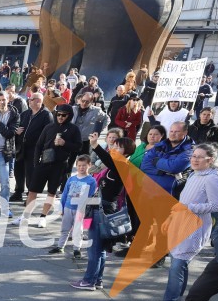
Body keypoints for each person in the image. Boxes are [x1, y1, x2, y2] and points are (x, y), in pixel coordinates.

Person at [149, 143, 218, 301]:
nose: (194, 159)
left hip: (194, 228)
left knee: (177, 265)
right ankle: (175, 299)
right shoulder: (194, 174)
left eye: (199, 157)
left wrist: (189, 208)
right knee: (179, 264)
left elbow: (216, 206)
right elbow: (182, 201)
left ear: (210, 160)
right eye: (193, 156)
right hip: (180, 223)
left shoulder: (211, 178)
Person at [70, 134, 135, 290]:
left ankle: (89, 281)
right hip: (101, 206)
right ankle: (97, 279)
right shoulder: (118, 164)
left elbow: (107, 160)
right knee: (101, 248)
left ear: (126, 152)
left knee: (94, 248)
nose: (114, 148)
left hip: (103, 209)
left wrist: (95, 145)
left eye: (118, 147)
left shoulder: (121, 165)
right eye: (113, 145)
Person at [12, 104, 82, 228]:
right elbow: (39, 145)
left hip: (60, 165)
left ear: (69, 116)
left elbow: (78, 147)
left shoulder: (73, 129)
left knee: (51, 192)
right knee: (32, 191)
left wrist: (64, 143)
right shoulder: (49, 127)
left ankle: (43, 217)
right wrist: (36, 163)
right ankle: (25, 216)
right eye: (58, 114)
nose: (60, 117)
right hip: (43, 163)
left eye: (63, 115)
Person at [48, 155, 97, 258]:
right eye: (79, 165)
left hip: (80, 209)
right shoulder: (71, 179)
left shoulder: (91, 181)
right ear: (76, 166)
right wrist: (61, 206)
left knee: (78, 230)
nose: (81, 168)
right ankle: (60, 246)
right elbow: (65, 193)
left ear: (89, 165)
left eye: (84, 165)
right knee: (65, 228)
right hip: (68, 207)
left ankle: (76, 249)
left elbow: (91, 196)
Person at [11, 92, 53, 202]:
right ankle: (18, 191)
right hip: (22, 147)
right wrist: (16, 131)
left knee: (31, 173)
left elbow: (49, 135)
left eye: (31, 99)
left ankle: (30, 195)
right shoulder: (26, 113)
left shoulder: (46, 115)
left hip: (34, 149)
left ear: (39, 101)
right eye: (29, 99)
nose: (29, 100)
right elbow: (17, 125)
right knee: (18, 170)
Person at [140, 121, 193, 195]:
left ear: (185, 132)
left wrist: (156, 161)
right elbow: (144, 165)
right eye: (171, 131)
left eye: (177, 131)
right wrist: (162, 171)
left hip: (168, 193)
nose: (173, 134)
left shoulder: (190, 150)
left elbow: (174, 167)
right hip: (147, 189)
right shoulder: (160, 145)